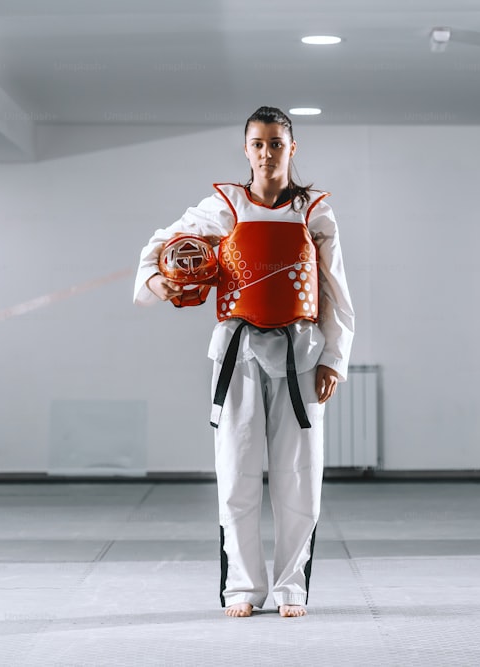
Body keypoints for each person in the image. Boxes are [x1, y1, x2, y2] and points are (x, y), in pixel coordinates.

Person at [133, 106, 354, 618]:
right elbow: (156, 249)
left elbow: (336, 292)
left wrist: (335, 360)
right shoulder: (224, 207)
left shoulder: (314, 211)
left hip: (301, 354)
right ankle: (241, 587)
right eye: (257, 144)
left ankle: (290, 587)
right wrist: (157, 283)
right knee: (235, 473)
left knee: (299, 476)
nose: (266, 153)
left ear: (291, 148)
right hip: (238, 354)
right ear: (246, 149)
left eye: (276, 143)